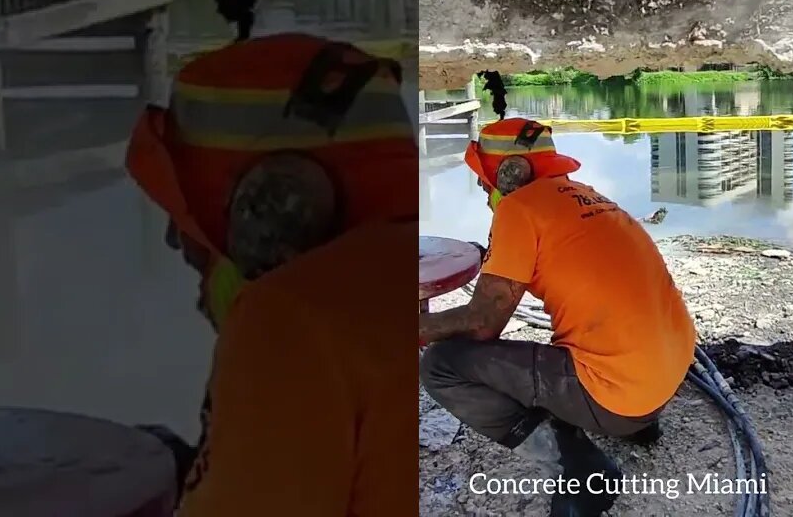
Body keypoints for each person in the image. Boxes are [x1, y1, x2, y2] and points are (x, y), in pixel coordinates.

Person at [125, 33, 418, 517]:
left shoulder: (293, 318)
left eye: (195, 222)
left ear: (272, 209)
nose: (179, 245)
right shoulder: (457, 263)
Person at [419, 117, 697, 517]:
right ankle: (641, 425)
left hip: (617, 398)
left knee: (441, 365)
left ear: (512, 174)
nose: (483, 190)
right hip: (667, 375)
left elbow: (484, 322)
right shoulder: (588, 197)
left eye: (485, 180)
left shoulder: (518, 209)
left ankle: (580, 473)